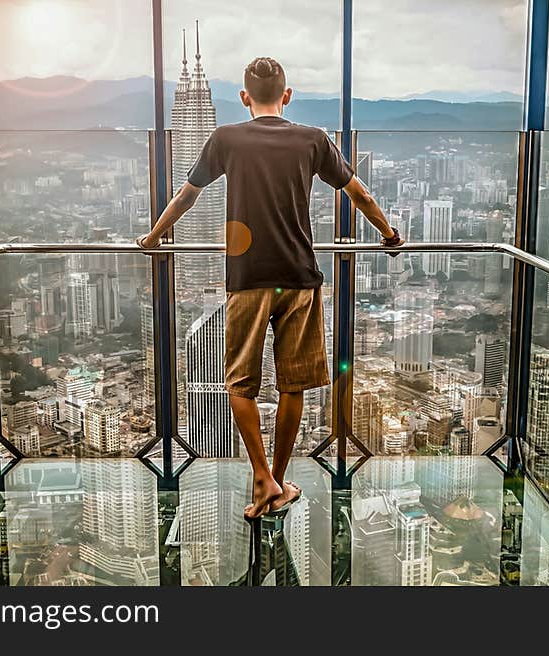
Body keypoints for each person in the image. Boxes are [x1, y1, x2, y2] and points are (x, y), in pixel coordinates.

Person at [138, 57, 403, 520]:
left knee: (240, 382)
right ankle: (278, 483)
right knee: (293, 384)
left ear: (244, 98)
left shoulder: (226, 139)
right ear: (288, 95)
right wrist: (389, 233)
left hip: (246, 279)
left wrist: (155, 236)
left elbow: (187, 195)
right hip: (299, 278)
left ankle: (261, 475)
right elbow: (357, 192)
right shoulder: (312, 139)